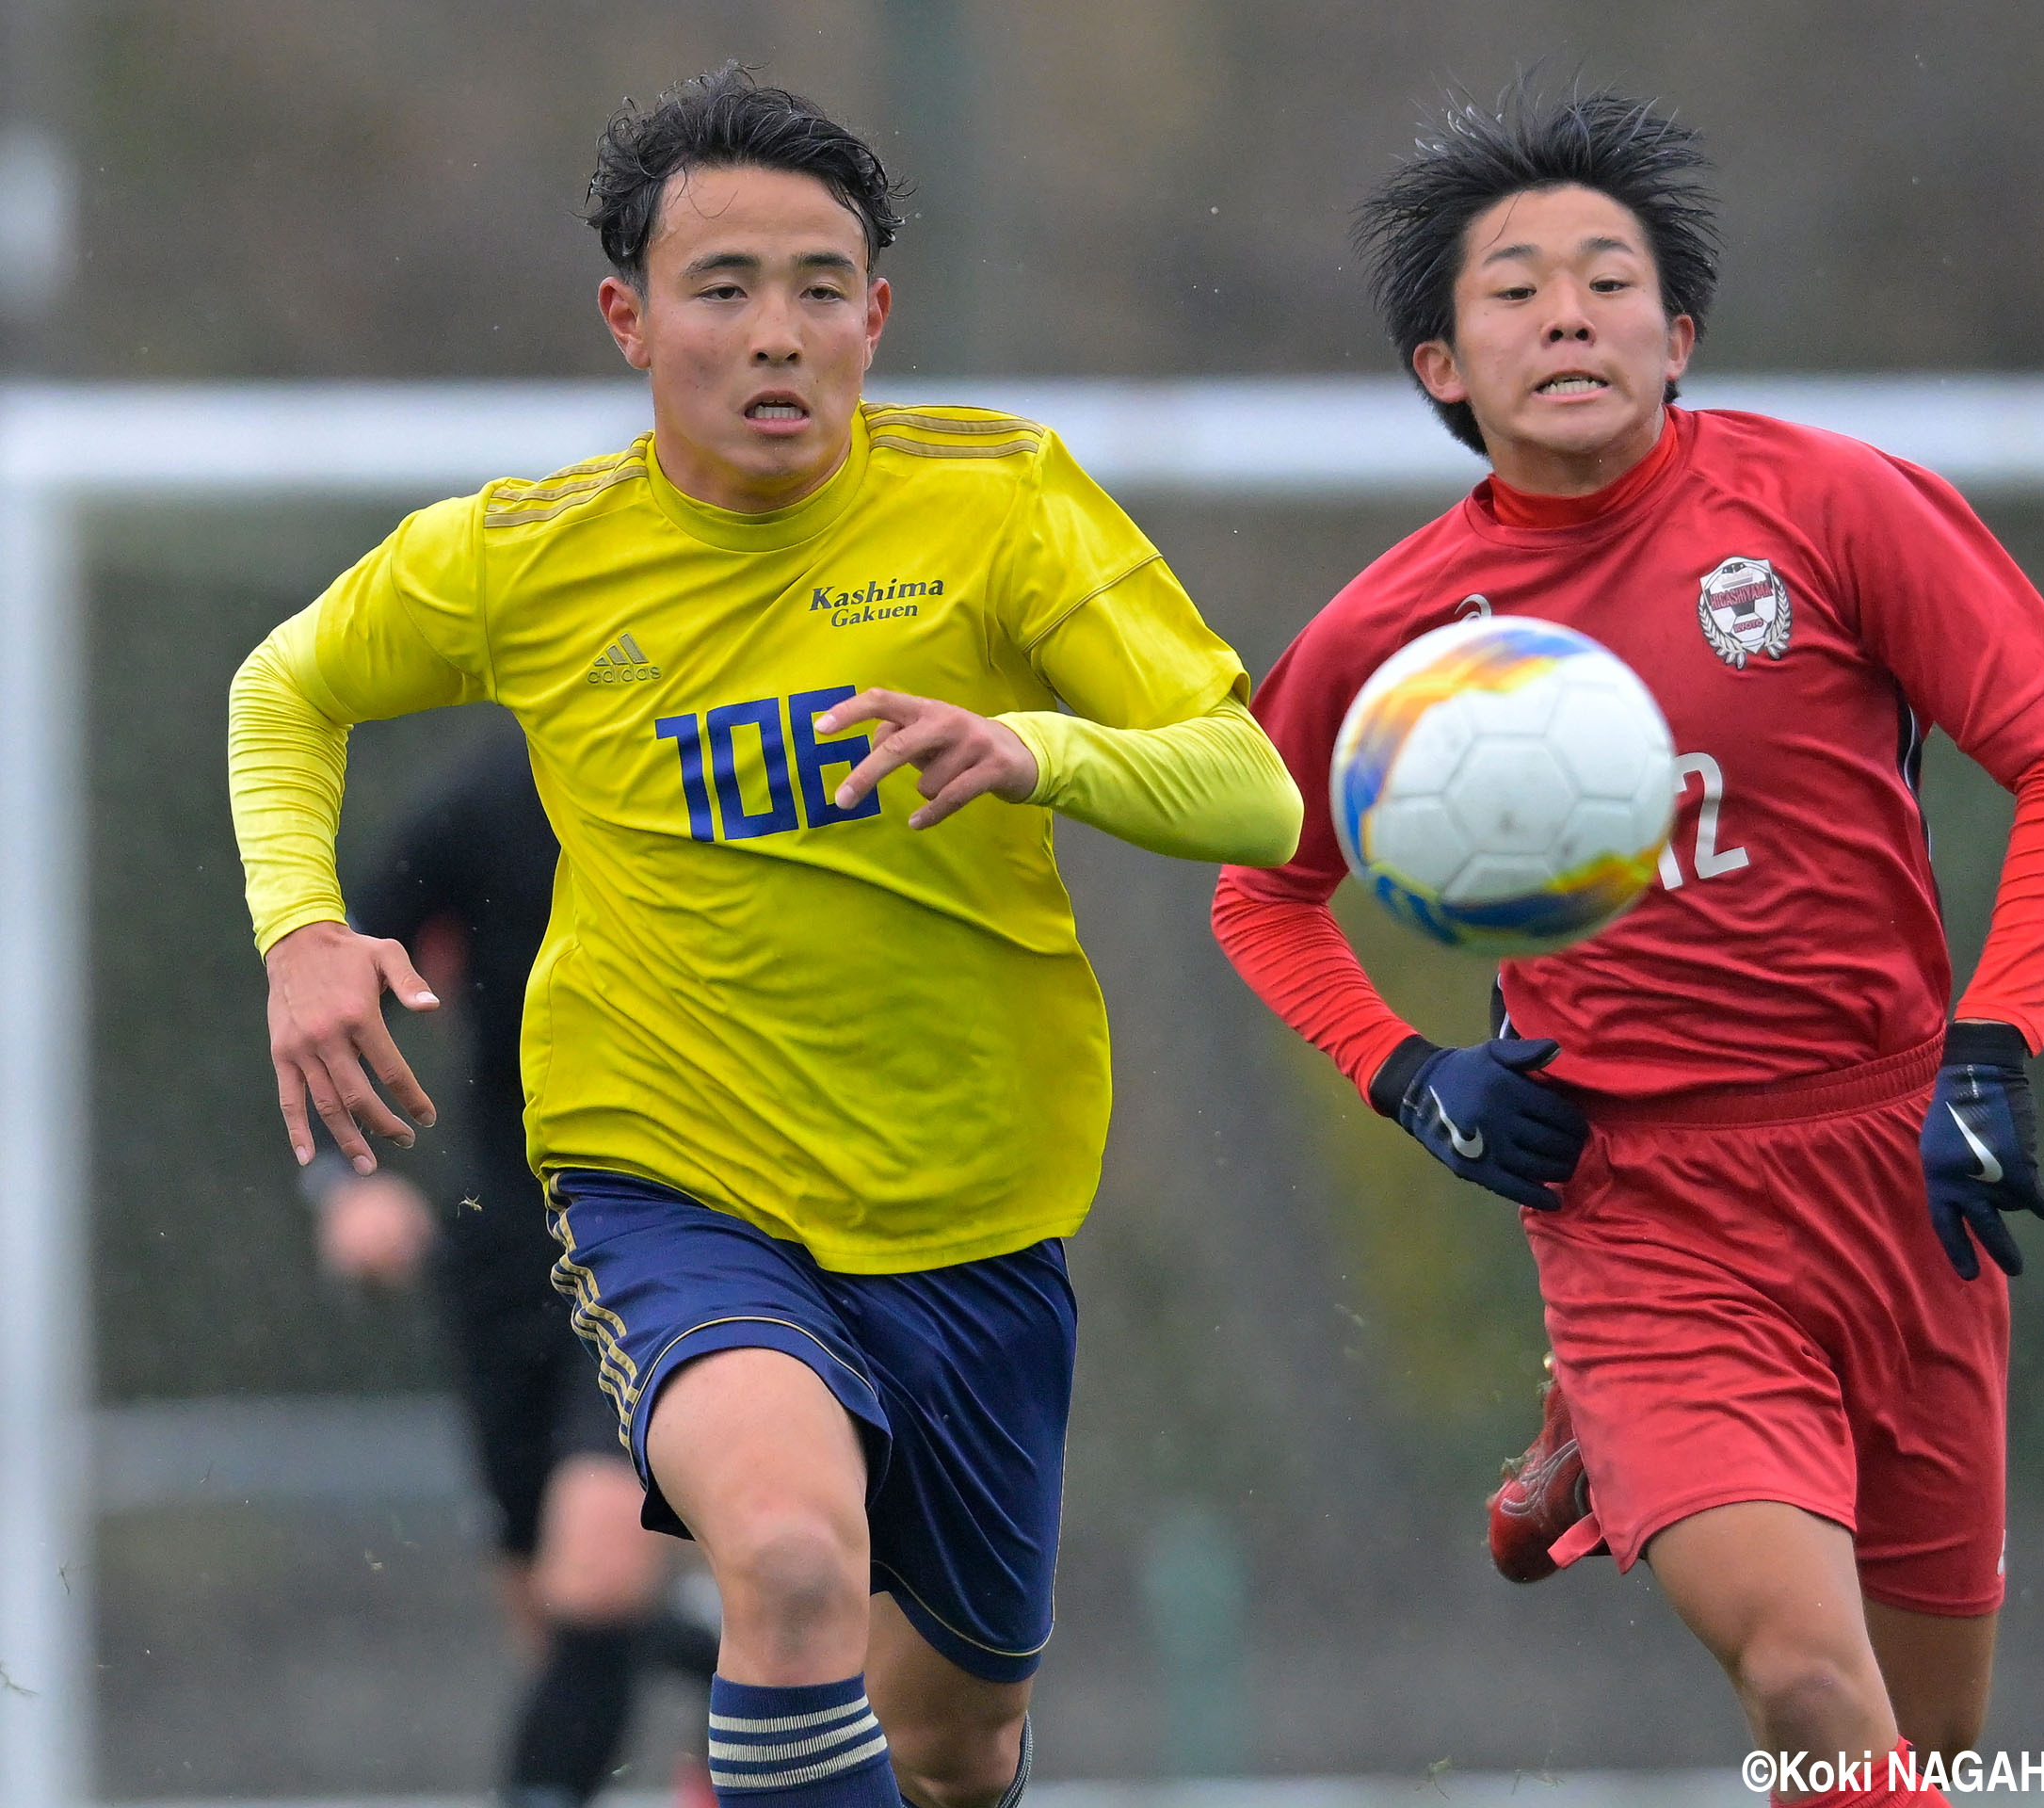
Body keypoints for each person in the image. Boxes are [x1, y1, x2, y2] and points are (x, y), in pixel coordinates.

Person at [228, 65, 1301, 1808]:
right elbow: (287, 686)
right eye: (723, 288)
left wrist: (1039, 749)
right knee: (790, 1563)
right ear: (629, 320)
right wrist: (301, 931)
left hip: (975, 1207)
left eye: (821, 288)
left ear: (877, 314)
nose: (778, 331)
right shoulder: (529, 556)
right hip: (671, 1180)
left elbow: (1254, 794)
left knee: (962, 1742)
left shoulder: (1003, 503)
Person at [1213, 85, 2044, 1801]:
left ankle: (1604, 1448)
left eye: (1608, 278)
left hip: (1895, 1173)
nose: (1568, 309)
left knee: (1921, 1753)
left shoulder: (1834, 509)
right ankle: (1618, 1405)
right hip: (1639, 1209)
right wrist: (1416, 1080)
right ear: (1440, 365)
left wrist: (1992, 1046)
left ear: (1679, 333)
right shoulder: (1398, 633)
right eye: (1514, 286)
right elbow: (1260, 888)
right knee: (1804, 1683)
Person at [302, 723, 717, 1808]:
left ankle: (778, 1692)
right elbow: (325, 1005)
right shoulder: (477, 803)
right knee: (556, 1607)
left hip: (666, 1229)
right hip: (504, 1241)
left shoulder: (712, 781)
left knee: (596, 1569)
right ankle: (765, 1676)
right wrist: (347, 1190)